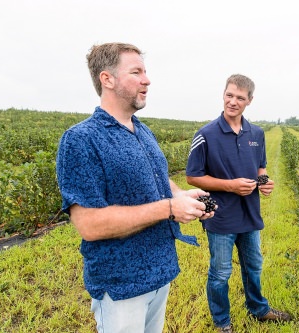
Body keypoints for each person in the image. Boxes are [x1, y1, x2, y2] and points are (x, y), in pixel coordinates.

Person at [56, 42, 214, 333]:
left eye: (146, 71)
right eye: (136, 72)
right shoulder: (81, 140)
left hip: (159, 271)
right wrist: (168, 208)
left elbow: (157, 177)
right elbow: (89, 224)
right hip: (121, 285)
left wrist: (180, 195)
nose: (147, 79)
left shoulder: (140, 129)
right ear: (108, 79)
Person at [186, 74, 292, 333]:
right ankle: (222, 322)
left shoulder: (256, 133)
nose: (233, 102)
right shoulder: (206, 134)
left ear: (249, 101)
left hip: (250, 214)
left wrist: (264, 182)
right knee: (221, 273)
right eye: (229, 95)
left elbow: (260, 167)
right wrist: (231, 185)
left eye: (240, 98)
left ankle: (259, 309)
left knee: (253, 265)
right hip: (220, 216)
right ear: (223, 94)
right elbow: (192, 176)